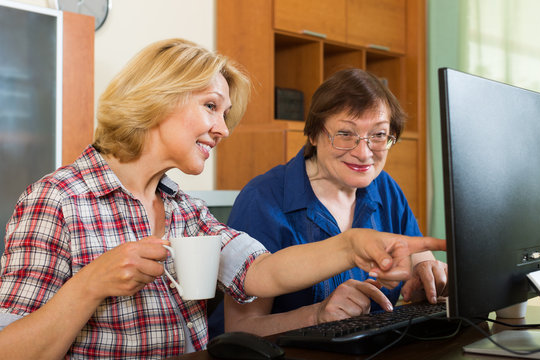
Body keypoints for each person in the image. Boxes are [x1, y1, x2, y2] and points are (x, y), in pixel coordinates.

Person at [0, 39, 444, 359]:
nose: (224, 128)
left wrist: (350, 245)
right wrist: (90, 285)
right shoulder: (57, 200)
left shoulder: (184, 209)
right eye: (211, 106)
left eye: (225, 113)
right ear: (157, 98)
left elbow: (262, 274)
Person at [211, 68, 448, 338]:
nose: (363, 153)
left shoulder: (385, 187)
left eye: (379, 135)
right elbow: (240, 330)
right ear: (314, 134)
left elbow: (418, 252)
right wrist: (316, 315)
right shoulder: (263, 199)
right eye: (345, 134)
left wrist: (425, 269)